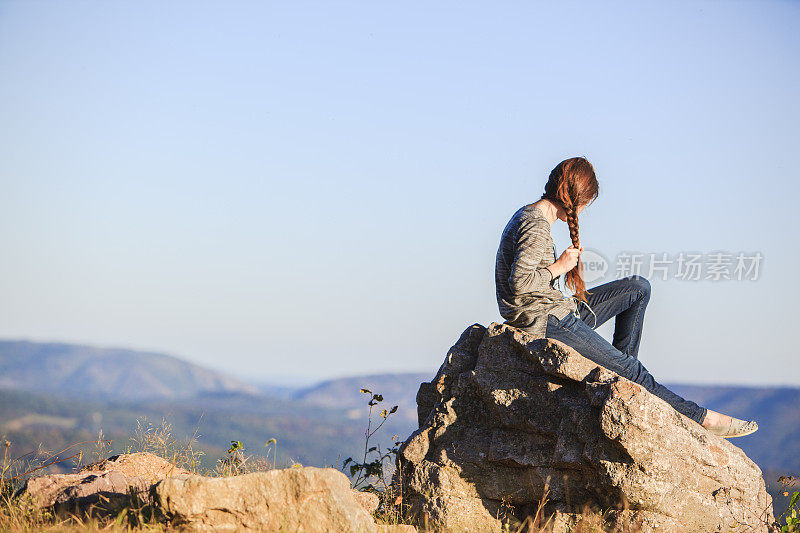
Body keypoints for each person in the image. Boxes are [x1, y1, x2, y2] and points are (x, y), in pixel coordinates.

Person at [494, 156, 758, 438]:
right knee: (632, 368)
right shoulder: (535, 225)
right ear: (575, 197)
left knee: (637, 287)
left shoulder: (532, 216)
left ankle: (621, 376)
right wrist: (559, 267)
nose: (584, 210)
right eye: (586, 203)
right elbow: (520, 284)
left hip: (556, 308)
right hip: (544, 320)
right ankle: (701, 418)